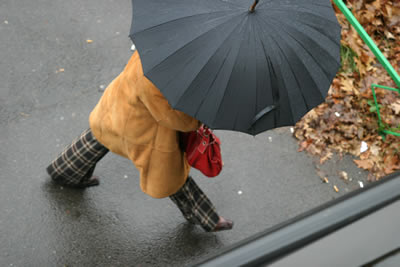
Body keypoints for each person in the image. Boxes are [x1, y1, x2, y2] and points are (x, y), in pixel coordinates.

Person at [46, 51, 233, 232]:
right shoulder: (156, 82)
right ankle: (207, 218)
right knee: (171, 176)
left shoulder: (155, 49)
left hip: (118, 105)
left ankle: (64, 171)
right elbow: (179, 121)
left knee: (101, 135)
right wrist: (199, 118)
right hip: (143, 132)